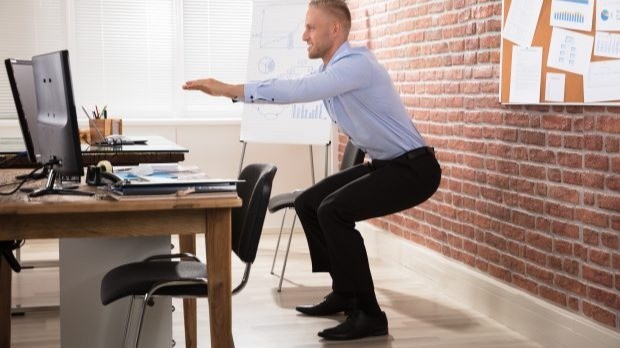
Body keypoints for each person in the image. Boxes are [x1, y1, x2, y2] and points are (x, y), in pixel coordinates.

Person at [182, 0, 441, 341]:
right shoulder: (332, 71)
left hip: (415, 169)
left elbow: (297, 91)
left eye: (310, 27)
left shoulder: (356, 65)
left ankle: (370, 313)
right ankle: (345, 292)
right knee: (309, 202)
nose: (304, 36)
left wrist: (230, 89)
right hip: (387, 164)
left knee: (334, 211)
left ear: (335, 30)